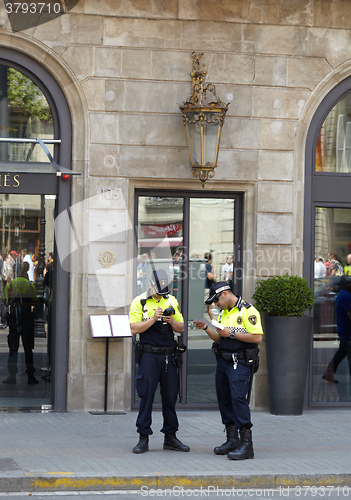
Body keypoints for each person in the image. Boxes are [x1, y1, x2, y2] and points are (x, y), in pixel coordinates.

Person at [194, 282, 263, 461]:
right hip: (223, 360)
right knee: (224, 399)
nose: (216, 304)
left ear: (224, 294)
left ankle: (247, 445)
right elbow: (219, 337)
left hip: (239, 362)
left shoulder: (248, 311)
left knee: (238, 399)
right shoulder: (224, 313)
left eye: (216, 301)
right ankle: (232, 439)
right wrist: (207, 327)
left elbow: (257, 337)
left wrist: (231, 334)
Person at [129, 269, 189, 454]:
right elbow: (134, 328)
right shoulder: (139, 302)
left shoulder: (171, 300)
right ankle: (143, 438)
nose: (162, 294)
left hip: (169, 356)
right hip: (149, 355)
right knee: (146, 397)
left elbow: (181, 328)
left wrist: (170, 320)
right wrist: (154, 318)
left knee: (170, 397)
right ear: (150, 285)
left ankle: (170, 437)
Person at [3, 263, 38, 385]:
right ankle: (30, 376)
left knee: (13, 348)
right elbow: (34, 302)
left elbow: (6, 302)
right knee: (28, 348)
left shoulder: (10, 285)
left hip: (14, 320)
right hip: (27, 320)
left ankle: (12, 376)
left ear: (14, 271)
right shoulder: (29, 285)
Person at [322, 275, 351, 384]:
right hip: (347, 331)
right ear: (346, 284)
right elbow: (349, 313)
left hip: (343, 329)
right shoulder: (347, 296)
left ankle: (328, 374)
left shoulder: (341, 294)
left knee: (341, 354)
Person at [204, 252, 215, 320]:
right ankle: (213, 321)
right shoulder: (208, 266)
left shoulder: (202, 265)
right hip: (207, 288)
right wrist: (214, 272)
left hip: (202, 287)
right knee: (209, 307)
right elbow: (210, 277)